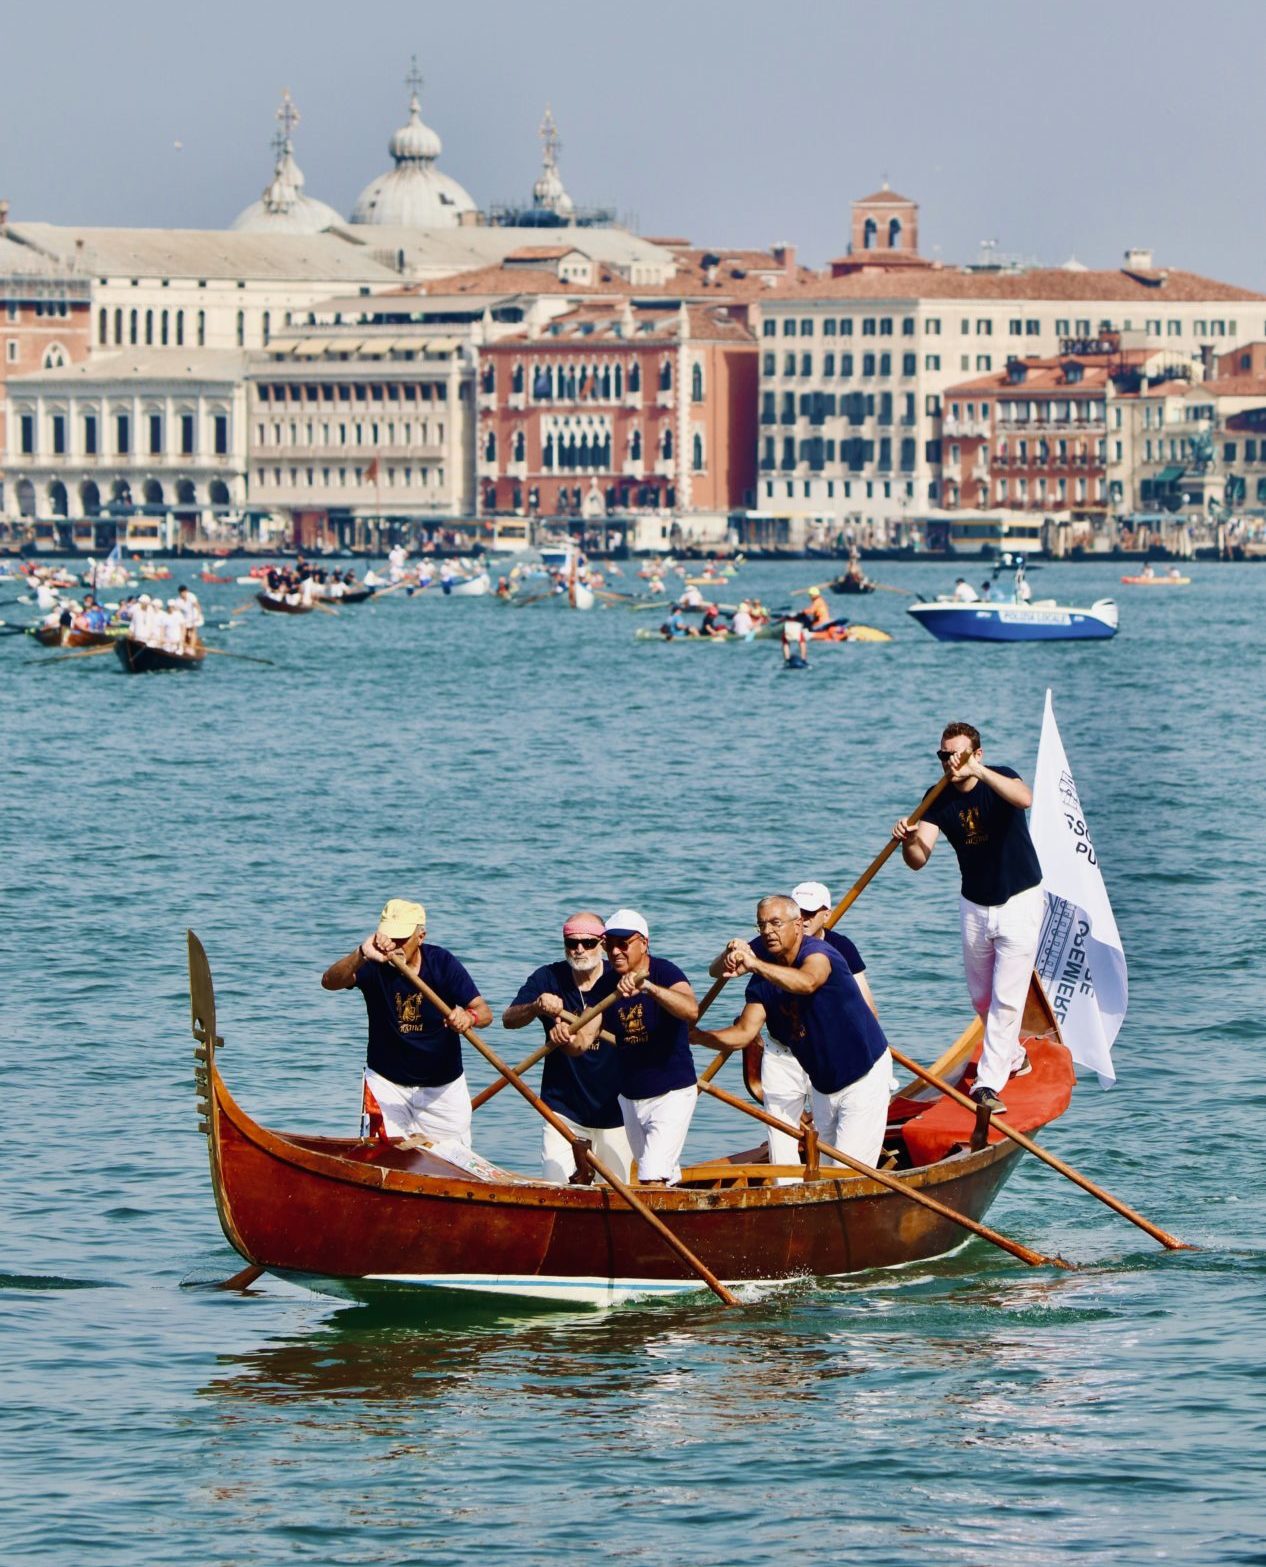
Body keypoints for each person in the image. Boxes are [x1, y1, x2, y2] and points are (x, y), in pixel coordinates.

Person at [892, 721, 1043, 1114]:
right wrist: (907, 841)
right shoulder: (937, 797)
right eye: (944, 756)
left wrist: (979, 772)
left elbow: (1025, 799)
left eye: (957, 755)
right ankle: (1013, 1058)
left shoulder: (1002, 779)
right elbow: (918, 859)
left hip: (1020, 900)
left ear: (977, 754)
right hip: (975, 904)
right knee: (981, 997)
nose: (950, 763)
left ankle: (988, 1087)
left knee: (1007, 1000)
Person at [692, 895, 892, 1174]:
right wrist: (698, 1037)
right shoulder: (763, 979)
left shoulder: (819, 953)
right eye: (762, 926)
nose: (768, 932)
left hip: (864, 1075)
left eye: (776, 923)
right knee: (825, 1172)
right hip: (824, 1085)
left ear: (798, 925)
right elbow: (743, 1033)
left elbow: (808, 982)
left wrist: (754, 964)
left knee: (849, 1173)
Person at [321, 899, 492, 1153]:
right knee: (383, 1157)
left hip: (443, 1087)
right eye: (389, 937)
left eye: (402, 939)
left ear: (420, 936)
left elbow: (484, 1013)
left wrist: (468, 1018)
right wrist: (360, 954)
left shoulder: (442, 963)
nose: (394, 946)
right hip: (387, 1084)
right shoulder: (373, 961)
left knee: (455, 1163)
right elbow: (329, 982)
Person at [553, 909, 699, 1186]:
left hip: (672, 1094)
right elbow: (583, 1040)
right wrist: (566, 1040)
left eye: (624, 944)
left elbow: (691, 1010)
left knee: (651, 1177)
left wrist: (649, 988)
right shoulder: (606, 985)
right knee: (659, 1178)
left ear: (644, 943)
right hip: (630, 1099)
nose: (616, 952)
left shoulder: (665, 971)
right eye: (610, 945)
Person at [503, 911, 633, 1183]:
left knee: (617, 1194)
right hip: (562, 1112)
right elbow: (509, 1019)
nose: (579, 949)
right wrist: (535, 1005)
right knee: (556, 1189)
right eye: (571, 943)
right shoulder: (548, 977)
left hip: (618, 1112)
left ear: (604, 945)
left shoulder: (621, 982)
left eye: (588, 943)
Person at [175, 585, 203, 651]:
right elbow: (177, 611)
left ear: (186, 591)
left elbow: (198, 606)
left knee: (193, 630)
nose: (183, 594)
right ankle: (184, 645)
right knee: (185, 630)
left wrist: (198, 616)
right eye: (181, 593)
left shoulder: (191, 596)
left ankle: (191, 647)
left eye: (184, 592)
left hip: (195, 614)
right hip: (187, 616)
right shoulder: (178, 600)